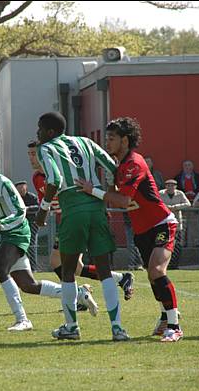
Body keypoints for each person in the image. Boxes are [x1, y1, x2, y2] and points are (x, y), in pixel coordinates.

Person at [0, 147, 99, 333]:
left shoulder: (2, 184)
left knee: (0, 268)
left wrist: (0, 224)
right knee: (28, 285)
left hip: (17, 232)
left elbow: (20, 212)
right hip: (4, 232)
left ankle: (22, 320)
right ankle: (78, 294)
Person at [77, 117, 183, 342]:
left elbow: (123, 200)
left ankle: (174, 325)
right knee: (153, 276)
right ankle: (166, 315)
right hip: (141, 229)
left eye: (112, 138)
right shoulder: (120, 166)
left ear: (125, 140)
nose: (107, 142)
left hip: (161, 223)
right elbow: (117, 198)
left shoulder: (134, 163)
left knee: (156, 270)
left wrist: (92, 190)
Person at [34, 112, 130, 342]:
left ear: (49, 132)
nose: (37, 134)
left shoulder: (46, 148)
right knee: (105, 270)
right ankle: (117, 328)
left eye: (39, 129)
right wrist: (111, 191)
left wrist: (43, 209)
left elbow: (55, 180)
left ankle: (72, 327)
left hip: (73, 205)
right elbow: (112, 166)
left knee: (68, 271)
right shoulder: (86, 141)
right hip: (97, 207)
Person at [27, 140, 134, 306]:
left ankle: (77, 299)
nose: (32, 158)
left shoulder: (61, 172)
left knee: (58, 262)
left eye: (34, 154)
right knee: (76, 267)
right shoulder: (37, 178)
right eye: (29, 154)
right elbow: (47, 200)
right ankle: (120, 279)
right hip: (68, 221)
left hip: (79, 218)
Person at [159, 179, 191, 269]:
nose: (170, 187)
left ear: (175, 186)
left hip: (177, 223)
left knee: (177, 245)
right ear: (165, 186)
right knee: (164, 244)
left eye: (172, 185)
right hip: (164, 223)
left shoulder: (180, 193)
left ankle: (175, 264)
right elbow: (157, 203)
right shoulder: (160, 193)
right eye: (168, 185)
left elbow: (188, 204)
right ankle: (165, 264)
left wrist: (176, 207)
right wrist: (167, 208)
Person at [14, 181, 40, 271]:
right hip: (19, 225)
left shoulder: (32, 197)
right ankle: (20, 268)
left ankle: (33, 268)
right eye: (19, 188)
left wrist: (28, 209)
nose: (21, 190)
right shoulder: (15, 198)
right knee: (18, 245)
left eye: (23, 188)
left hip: (32, 224)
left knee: (32, 246)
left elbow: (38, 207)